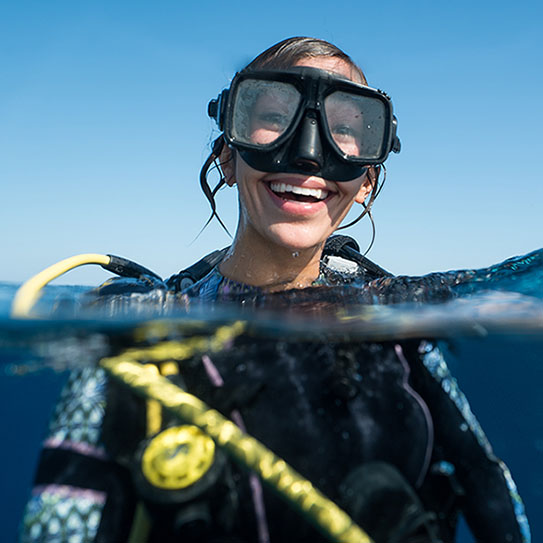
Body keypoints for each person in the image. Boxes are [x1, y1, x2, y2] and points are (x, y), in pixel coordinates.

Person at [20, 37, 531, 543]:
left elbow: (486, 479)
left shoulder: (401, 320)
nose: (308, 155)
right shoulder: (139, 330)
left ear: (367, 180)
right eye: (272, 117)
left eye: (348, 129)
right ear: (228, 155)